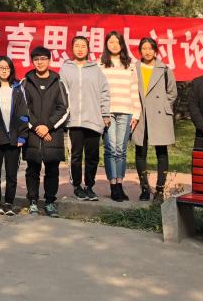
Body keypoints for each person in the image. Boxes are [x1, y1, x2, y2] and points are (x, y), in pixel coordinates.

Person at [21, 47, 69, 218]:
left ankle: (49, 202)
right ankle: (33, 201)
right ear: (32, 61)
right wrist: (37, 127)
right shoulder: (25, 82)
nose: (39, 62)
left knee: (52, 170)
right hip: (32, 133)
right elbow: (22, 108)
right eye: (36, 59)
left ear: (49, 60)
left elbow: (64, 108)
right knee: (32, 169)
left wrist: (47, 126)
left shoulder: (58, 82)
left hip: (52, 134)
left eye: (43, 59)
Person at [60, 35, 110, 201]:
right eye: (77, 46)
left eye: (83, 46)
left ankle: (89, 186)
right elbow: (61, 93)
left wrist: (105, 113)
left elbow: (104, 92)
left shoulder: (95, 69)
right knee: (75, 156)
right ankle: (77, 186)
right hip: (73, 120)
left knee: (92, 156)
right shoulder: (65, 69)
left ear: (88, 49)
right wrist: (63, 116)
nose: (80, 49)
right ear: (72, 48)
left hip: (93, 119)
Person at [0, 56, 29, 216]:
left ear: (11, 70)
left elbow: (23, 113)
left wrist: (22, 136)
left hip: (14, 138)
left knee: (11, 174)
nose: (4, 71)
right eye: (0, 68)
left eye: (7, 68)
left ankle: (9, 203)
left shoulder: (18, 87)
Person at [132, 37, 177, 202]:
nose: (147, 51)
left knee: (161, 152)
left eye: (150, 48)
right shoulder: (134, 68)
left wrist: (163, 107)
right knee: (140, 151)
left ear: (155, 50)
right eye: (144, 48)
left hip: (159, 115)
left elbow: (172, 93)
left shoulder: (164, 69)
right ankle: (144, 188)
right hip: (140, 114)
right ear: (140, 50)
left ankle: (160, 189)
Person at [101, 31, 141, 202]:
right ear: (106, 44)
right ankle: (113, 186)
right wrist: (102, 112)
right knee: (110, 149)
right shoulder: (100, 64)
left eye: (117, 42)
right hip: (108, 112)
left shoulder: (130, 64)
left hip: (126, 111)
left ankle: (119, 183)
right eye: (111, 42)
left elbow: (134, 88)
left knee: (121, 150)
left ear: (122, 44)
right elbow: (99, 91)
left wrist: (136, 113)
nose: (114, 45)